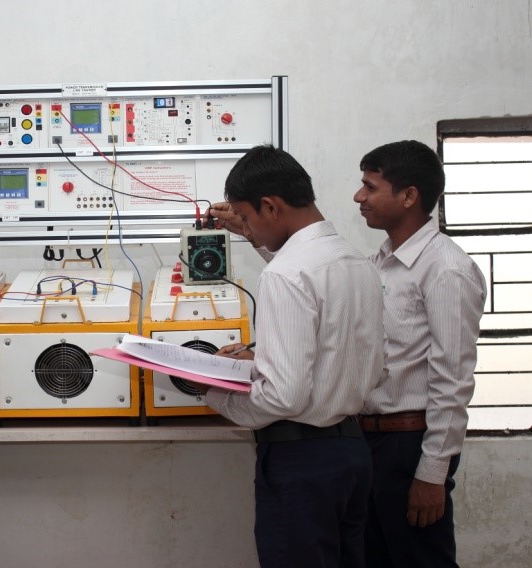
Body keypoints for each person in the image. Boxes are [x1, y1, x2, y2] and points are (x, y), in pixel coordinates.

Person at [200, 145, 385, 567]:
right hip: (353, 455)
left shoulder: (285, 274)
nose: (247, 229)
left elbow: (283, 397)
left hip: (301, 463)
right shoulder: (359, 264)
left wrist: (211, 391)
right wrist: (260, 355)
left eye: (246, 218)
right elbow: (362, 360)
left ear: (270, 206)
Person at [354, 140, 486, 567]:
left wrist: (432, 473)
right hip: (370, 442)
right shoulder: (382, 261)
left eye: (370, 187)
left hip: (410, 446)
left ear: (409, 196)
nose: (359, 197)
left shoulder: (446, 269)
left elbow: (453, 378)